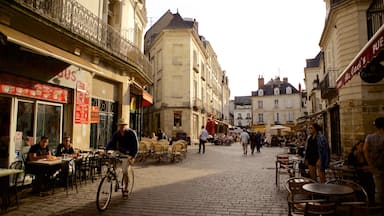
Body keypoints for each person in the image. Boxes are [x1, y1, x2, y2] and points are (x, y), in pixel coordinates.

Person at [106, 118, 138, 199]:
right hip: (119, 151)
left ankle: (126, 189)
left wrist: (133, 156)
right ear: (118, 126)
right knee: (111, 155)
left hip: (128, 153)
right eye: (120, 126)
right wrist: (106, 150)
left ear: (125, 126)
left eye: (123, 125)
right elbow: (111, 142)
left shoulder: (131, 133)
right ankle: (110, 172)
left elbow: (135, 146)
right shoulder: (116, 134)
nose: (121, 127)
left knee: (125, 171)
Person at [363, 117, 384, 205]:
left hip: (376, 166)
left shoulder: (370, 137)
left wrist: (370, 164)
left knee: (379, 189)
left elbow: (365, 150)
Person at [348, 140, 375, 205]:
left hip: (365, 174)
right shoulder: (352, 155)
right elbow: (350, 166)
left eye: (363, 146)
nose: (362, 147)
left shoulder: (364, 155)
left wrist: (368, 168)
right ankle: (364, 200)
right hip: (355, 174)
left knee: (370, 182)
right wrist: (361, 168)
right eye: (361, 146)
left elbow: (369, 164)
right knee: (368, 181)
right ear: (356, 146)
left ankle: (371, 201)